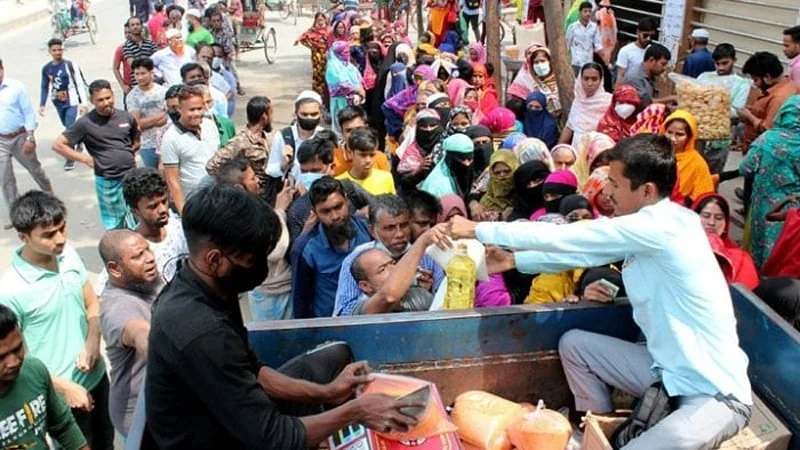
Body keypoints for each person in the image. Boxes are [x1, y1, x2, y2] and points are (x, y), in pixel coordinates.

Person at [438, 133, 753, 449]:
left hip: (713, 393)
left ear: (646, 191)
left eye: (615, 184)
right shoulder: (651, 224)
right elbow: (584, 254)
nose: (607, 191)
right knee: (576, 345)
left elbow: (573, 238)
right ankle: (594, 432)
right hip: (667, 373)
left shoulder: (663, 225)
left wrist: (478, 229)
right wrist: (513, 260)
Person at [146, 184, 423, 449]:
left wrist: (327, 391)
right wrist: (355, 411)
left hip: (232, 410)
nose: (262, 266)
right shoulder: (200, 332)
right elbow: (273, 439)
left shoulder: (210, 285)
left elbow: (253, 371)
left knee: (335, 355)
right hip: (214, 439)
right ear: (215, 260)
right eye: (252, 258)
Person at [1, 191, 113, 449]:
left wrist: (93, 342)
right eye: (49, 235)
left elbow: (91, 304)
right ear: (23, 237)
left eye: (62, 228)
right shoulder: (10, 291)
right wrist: (64, 388)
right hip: (60, 396)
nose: (60, 239)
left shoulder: (70, 256)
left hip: (97, 378)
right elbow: (17, 356)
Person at [333, 194, 444, 316]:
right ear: (372, 230)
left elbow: (444, 305)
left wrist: (429, 292)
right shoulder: (356, 260)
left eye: (404, 225)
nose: (399, 234)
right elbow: (344, 315)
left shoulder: (429, 257)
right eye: (390, 228)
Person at [98, 229, 162, 438]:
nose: (150, 259)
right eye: (137, 256)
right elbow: (140, 333)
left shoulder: (148, 279)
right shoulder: (117, 307)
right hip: (140, 418)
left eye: (147, 250)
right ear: (115, 269)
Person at [52, 79, 139, 230]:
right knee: (114, 224)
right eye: (100, 100)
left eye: (108, 98)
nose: (106, 103)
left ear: (113, 95)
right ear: (92, 100)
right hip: (107, 181)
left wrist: (125, 155)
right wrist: (84, 159)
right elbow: (58, 145)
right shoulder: (85, 123)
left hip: (131, 176)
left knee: (138, 217)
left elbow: (135, 141)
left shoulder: (126, 117)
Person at [0, 304, 89, 450]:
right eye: (1, 357)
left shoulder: (34, 371)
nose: (14, 362)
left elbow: (64, 426)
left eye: (17, 349)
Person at [291, 177, 373, 318]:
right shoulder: (306, 249)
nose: (335, 216)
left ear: (347, 200)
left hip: (369, 317)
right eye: (326, 211)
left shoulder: (368, 229)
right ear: (315, 212)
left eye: (338, 207)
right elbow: (301, 301)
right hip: (330, 325)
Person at [740, 95, 800, 268]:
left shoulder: (768, 138)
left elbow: (745, 168)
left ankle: (759, 283)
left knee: (761, 243)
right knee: (786, 248)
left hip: (765, 203)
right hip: (794, 207)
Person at [0, 58, 54, 229]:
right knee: (6, 179)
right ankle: (17, 215)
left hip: (21, 136)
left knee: (34, 169)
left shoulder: (15, 87)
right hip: (1, 140)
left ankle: (50, 197)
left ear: (2, 68)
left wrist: (30, 137)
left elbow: (28, 112)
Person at [348, 225, 448, 314]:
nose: (394, 269)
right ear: (365, 286)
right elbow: (388, 297)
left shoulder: (419, 295)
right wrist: (422, 242)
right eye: (382, 269)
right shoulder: (360, 311)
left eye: (393, 263)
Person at [160, 85, 220, 214]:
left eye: (199, 108)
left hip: (216, 200)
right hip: (193, 205)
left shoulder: (210, 126)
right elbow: (172, 180)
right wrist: (184, 213)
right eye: (191, 110)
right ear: (180, 109)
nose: (197, 113)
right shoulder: (171, 138)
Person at [696, 44, 752, 174]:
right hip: (697, 135)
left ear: (734, 60)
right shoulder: (704, 77)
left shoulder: (741, 84)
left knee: (713, 176)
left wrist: (709, 106)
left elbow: (735, 111)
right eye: (717, 64)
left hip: (719, 139)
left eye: (725, 63)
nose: (720, 67)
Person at [39, 38, 90, 171]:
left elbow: (79, 83)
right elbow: (44, 86)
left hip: (72, 101)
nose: (57, 52)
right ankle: (79, 139)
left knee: (68, 128)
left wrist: (83, 103)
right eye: (54, 50)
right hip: (58, 102)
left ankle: (70, 157)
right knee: (68, 126)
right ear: (49, 51)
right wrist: (42, 104)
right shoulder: (47, 68)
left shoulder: (70, 65)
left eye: (59, 49)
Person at [691, 194, 759, 290]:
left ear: (726, 224)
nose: (711, 222)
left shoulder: (741, 259)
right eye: (706, 216)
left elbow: (745, 298)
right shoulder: (676, 249)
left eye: (718, 218)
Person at [206, 95, 272, 190]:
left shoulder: (262, 138)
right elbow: (211, 166)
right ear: (264, 116)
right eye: (271, 114)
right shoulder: (240, 142)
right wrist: (233, 185)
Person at [266, 90, 325, 183]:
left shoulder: (325, 137)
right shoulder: (283, 136)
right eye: (304, 114)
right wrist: (284, 164)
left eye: (314, 114)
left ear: (321, 114)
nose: (309, 118)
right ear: (296, 114)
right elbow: (270, 171)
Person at [661, 110, 714, 203]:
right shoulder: (653, 154)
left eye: (679, 134)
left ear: (690, 137)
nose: (672, 138)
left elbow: (703, 198)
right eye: (669, 132)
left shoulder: (697, 163)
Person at [127, 57, 168, 169]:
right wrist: (161, 115)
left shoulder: (163, 92)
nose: (139, 77)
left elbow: (168, 119)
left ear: (151, 72)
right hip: (147, 144)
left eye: (143, 73)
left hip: (167, 141)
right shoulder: (132, 96)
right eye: (136, 74)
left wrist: (149, 121)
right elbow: (137, 124)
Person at [560, 62, 612, 147]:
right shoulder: (578, 101)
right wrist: (558, 149)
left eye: (594, 79)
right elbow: (569, 127)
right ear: (580, 79)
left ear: (601, 80)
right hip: (577, 147)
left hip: (598, 148)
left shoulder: (608, 101)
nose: (590, 83)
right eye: (586, 79)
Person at [333, 106, 390, 177]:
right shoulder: (332, 159)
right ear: (342, 132)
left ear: (366, 127)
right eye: (349, 130)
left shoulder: (379, 158)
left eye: (358, 129)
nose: (354, 134)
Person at [335, 128, 395, 195]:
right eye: (362, 155)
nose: (368, 160)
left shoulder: (386, 178)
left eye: (372, 155)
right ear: (351, 153)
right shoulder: (339, 184)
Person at [508, 44, 561, 116]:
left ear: (550, 62)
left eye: (542, 61)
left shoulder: (561, 79)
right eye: (536, 62)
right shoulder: (529, 82)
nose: (539, 65)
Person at [421, 134, 475, 199]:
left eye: (469, 158)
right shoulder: (435, 185)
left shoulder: (462, 177)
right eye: (462, 158)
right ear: (449, 158)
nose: (467, 164)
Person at [327, 41, 365, 134]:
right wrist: (357, 89)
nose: (347, 54)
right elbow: (340, 84)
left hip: (353, 101)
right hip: (340, 102)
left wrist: (361, 91)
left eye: (348, 52)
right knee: (341, 128)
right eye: (345, 52)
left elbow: (358, 79)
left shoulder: (349, 66)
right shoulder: (332, 67)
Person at [621, 43, 674, 108]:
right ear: (652, 60)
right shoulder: (634, 77)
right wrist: (672, 98)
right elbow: (646, 103)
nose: (664, 68)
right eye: (663, 64)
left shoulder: (651, 75)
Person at [296, 13, 332, 105]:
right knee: (317, 74)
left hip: (328, 55)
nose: (320, 21)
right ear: (315, 20)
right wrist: (312, 46)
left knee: (328, 74)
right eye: (318, 20)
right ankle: (317, 95)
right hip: (316, 55)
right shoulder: (312, 30)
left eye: (322, 19)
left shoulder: (329, 30)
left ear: (325, 20)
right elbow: (302, 38)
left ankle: (327, 95)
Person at [615, 17, 657, 87]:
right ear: (638, 32)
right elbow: (620, 76)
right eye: (645, 35)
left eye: (652, 36)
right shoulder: (626, 51)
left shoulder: (653, 51)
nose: (648, 39)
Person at [566, 2, 602, 75]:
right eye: (585, 11)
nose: (588, 14)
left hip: (588, 61)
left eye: (589, 11)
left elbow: (598, 45)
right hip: (576, 61)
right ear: (580, 12)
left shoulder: (594, 27)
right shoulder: (573, 27)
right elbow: (567, 44)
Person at [122, 16, 159, 88]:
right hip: (137, 84)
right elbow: (133, 64)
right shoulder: (126, 46)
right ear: (129, 28)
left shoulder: (151, 43)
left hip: (153, 82)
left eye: (137, 24)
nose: (135, 27)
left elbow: (157, 61)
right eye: (132, 25)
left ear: (141, 26)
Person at [113, 25, 134, 99]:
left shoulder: (145, 46)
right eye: (125, 33)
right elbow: (115, 68)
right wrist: (123, 86)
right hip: (129, 87)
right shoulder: (121, 49)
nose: (127, 35)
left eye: (130, 32)